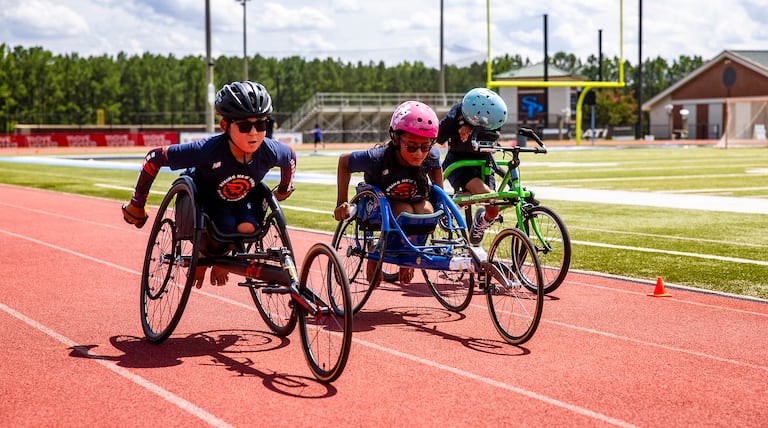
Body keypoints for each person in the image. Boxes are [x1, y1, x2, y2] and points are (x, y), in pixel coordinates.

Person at [121, 81, 296, 288]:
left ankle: (227, 258)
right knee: (224, 226)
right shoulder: (207, 150)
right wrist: (137, 203)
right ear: (225, 126)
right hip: (206, 200)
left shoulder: (271, 150)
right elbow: (153, 158)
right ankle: (205, 256)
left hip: (242, 199)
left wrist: (284, 189)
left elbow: (290, 158)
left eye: (260, 125)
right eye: (244, 126)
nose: (254, 133)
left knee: (248, 227)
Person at [334, 101, 443, 285]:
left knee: (427, 213)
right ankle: (376, 254)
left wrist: (440, 200)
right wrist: (341, 202)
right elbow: (345, 161)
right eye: (411, 146)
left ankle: (408, 258)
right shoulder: (377, 158)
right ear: (395, 139)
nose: (418, 153)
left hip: (414, 196)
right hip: (379, 202)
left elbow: (436, 167)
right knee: (403, 211)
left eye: (425, 147)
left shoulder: (430, 155)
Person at [437, 87, 508, 245]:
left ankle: (474, 219)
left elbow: (493, 135)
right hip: (459, 163)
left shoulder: (494, 113)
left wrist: (476, 130)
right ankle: (452, 204)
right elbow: (439, 135)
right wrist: (459, 129)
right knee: (487, 194)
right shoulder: (457, 112)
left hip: (483, 162)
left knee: (492, 208)